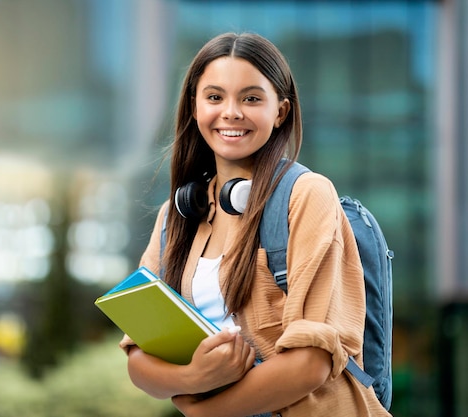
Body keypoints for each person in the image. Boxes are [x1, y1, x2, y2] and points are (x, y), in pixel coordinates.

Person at [119, 32, 392, 417]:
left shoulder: (306, 195)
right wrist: (194, 377)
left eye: (251, 98)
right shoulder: (176, 216)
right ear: (195, 107)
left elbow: (310, 362)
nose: (231, 112)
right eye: (214, 97)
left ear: (280, 111)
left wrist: (204, 410)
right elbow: (139, 360)